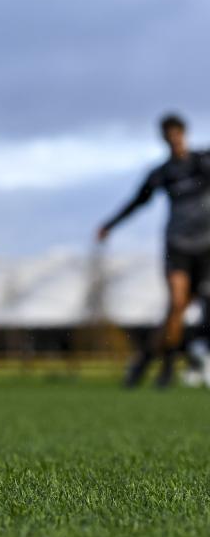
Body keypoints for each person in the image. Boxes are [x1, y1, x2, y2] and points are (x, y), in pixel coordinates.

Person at [97, 113, 210, 387]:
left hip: (207, 247)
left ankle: (145, 362)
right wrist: (110, 224)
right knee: (177, 305)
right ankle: (167, 368)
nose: (174, 140)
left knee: (202, 308)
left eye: (177, 134)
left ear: (184, 133)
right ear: (164, 139)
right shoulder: (162, 173)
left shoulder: (203, 162)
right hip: (178, 245)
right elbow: (137, 202)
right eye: (169, 136)